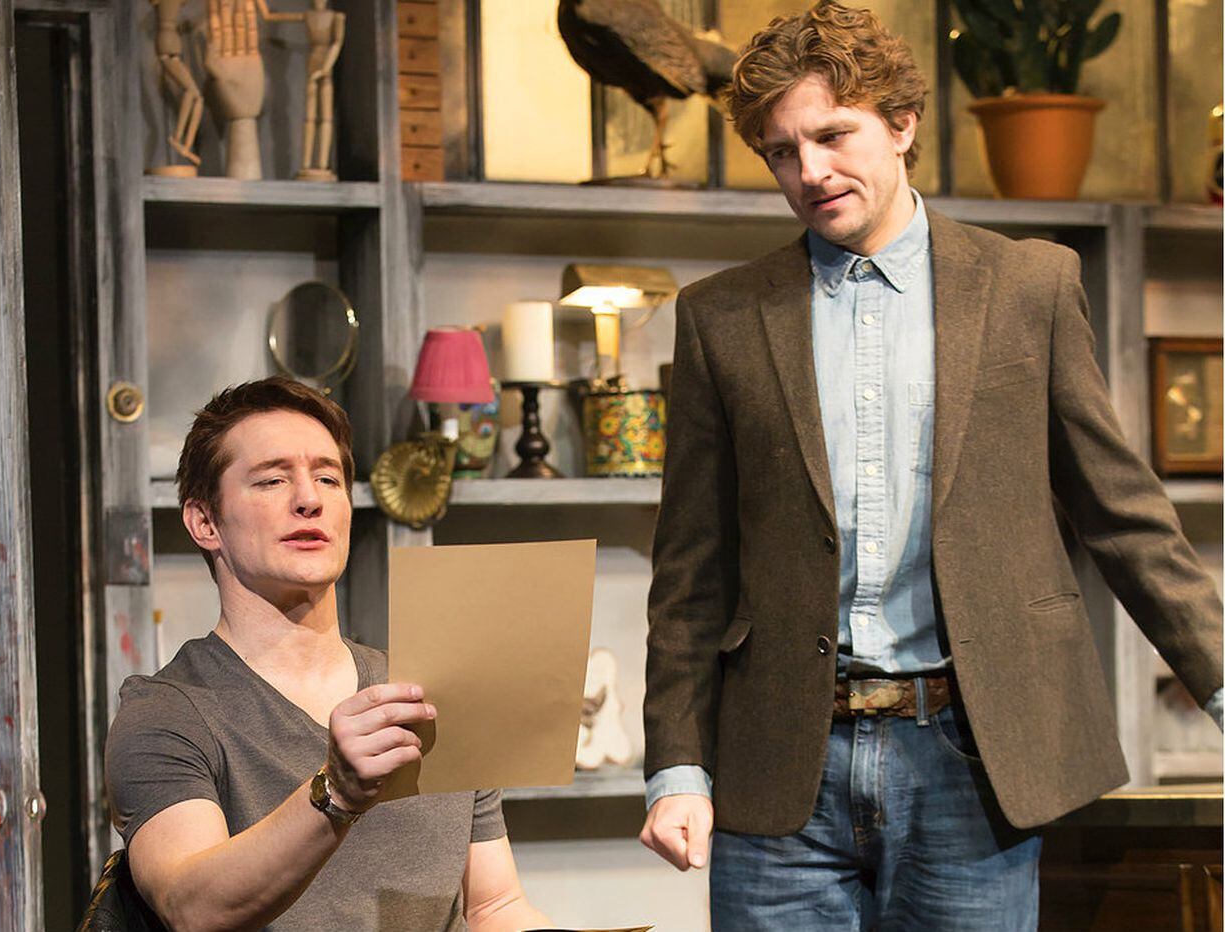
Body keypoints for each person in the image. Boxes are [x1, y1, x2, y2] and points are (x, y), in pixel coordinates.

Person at [638, 3, 1223, 929]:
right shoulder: (722, 317)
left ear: (903, 123)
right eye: (782, 151)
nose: (809, 172)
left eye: (833, 135)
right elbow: (690, 572)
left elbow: (1124, 515)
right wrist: (676, 763)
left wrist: (1219, 680)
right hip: (778, 768)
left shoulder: (1029, 287)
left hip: (972, 758)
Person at [105, 376, 551, 931]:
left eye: (327, 478)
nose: (309, 499)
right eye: (272, 480)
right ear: (205, 522)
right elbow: (192, 907)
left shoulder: (428, 688)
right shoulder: (167, 713)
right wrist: (335, 792)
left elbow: (494, 906)